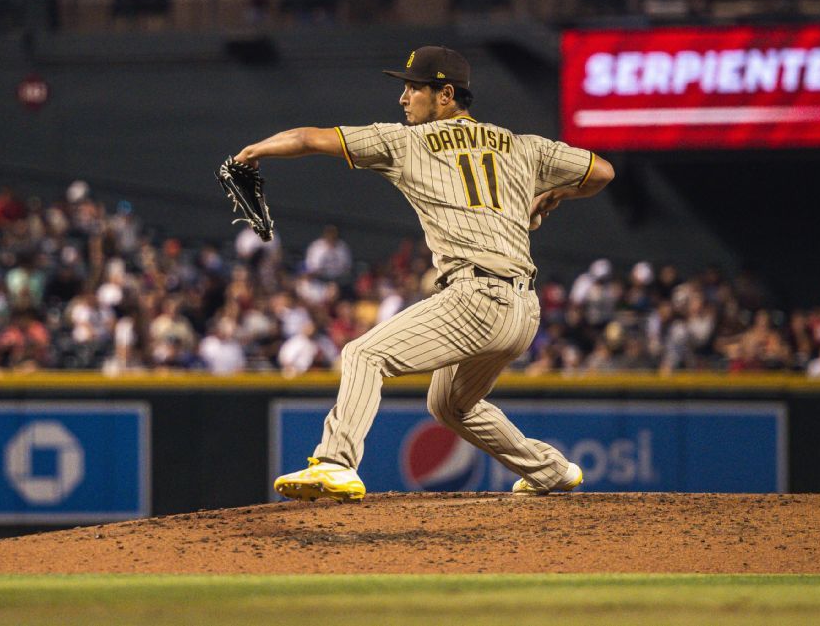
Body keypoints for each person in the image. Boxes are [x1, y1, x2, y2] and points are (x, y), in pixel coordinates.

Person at [235, 45, 614, 502]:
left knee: (363, 355)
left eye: (414, 87)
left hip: (477, 298)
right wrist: (555, 196)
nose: (404, 97)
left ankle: (336, 463)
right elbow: (603, 172)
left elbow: (310, 138)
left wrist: (252, 153)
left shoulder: (406, 142)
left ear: (446, 95)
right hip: (523, 311)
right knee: (449, 404)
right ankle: (551, 470)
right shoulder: (522, 145)